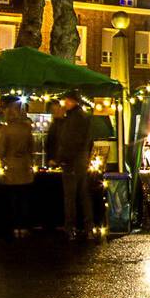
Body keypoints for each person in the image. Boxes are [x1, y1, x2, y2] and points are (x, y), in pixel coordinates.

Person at [46, 91, 95, 238]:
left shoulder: (73, 119)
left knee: (70, 197)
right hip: (82, 161)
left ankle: (70, 227)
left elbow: (67, 142)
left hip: (71, 162)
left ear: (73, 101)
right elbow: (88, 141)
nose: (65, 103)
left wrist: (59, 159)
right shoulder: (84, 117)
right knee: (84, 195)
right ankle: (88, 228)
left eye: (67, 101)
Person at [0, 100, 36, 237]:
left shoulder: (4, 130)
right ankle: (23, 226)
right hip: (24, 167)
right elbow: (32, 148)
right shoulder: (26, 128)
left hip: (10, 168)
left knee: (12, 199)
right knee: (24, 198)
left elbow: (1, 150)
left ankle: (13, 227)